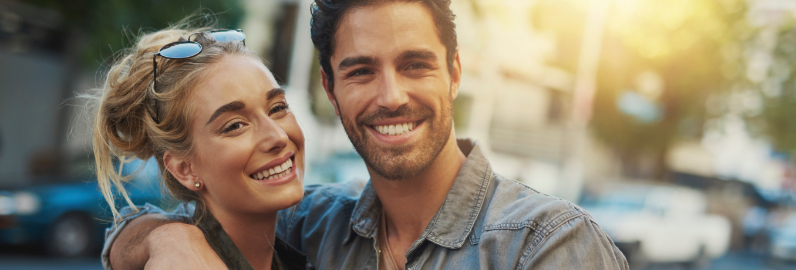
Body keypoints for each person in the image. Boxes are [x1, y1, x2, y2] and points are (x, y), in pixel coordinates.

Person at [104, 0, 630, 269]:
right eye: (361, 71)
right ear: (331, 91)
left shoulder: (545, 244)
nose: (392, 95)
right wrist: (168, 236)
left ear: (454, 74)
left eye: (415, 65)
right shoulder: (313, 226)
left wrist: (168, 237)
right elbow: (165, 224)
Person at [92, 23, 308, 270]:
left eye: (278, 108)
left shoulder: (307, 242)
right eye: (235, 125)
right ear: (185, 169)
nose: (277, 137)